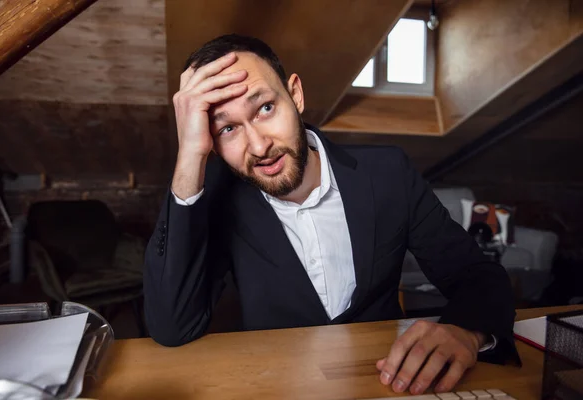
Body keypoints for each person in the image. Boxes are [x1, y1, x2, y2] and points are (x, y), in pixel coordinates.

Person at [144, 34, 518, 395]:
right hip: (276, 388)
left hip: (387, 384)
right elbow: (173, 327)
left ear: (296, 94)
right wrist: (190, 154)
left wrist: (468, 331)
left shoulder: (389, 173)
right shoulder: (219, 196)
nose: (259, 146)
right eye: (227, 128)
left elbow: (475, 274)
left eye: (266, 108)